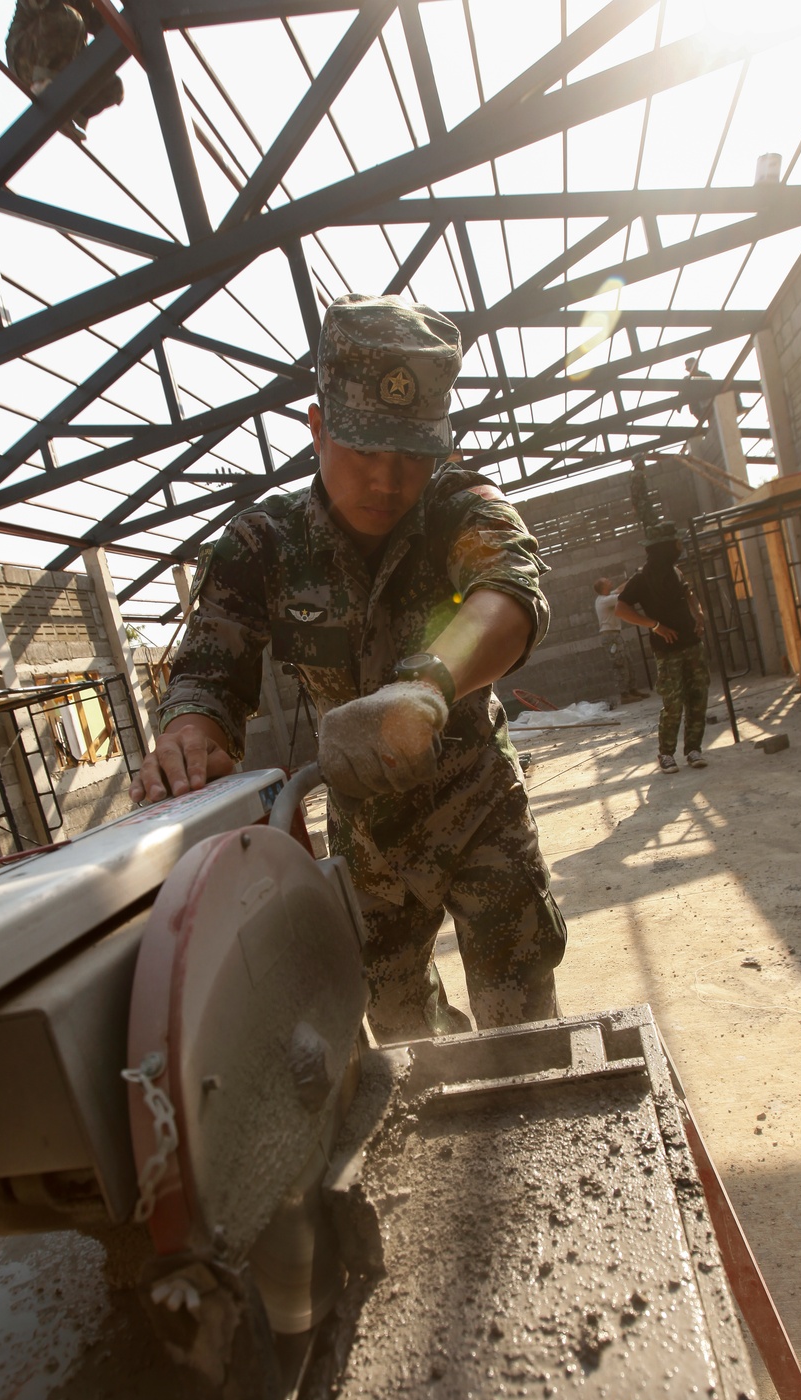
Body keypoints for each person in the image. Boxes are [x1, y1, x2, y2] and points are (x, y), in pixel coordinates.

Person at [131, 294, 567, 1044]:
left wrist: (427, 687)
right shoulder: (261, 547)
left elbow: (513, 593)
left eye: (412, 454)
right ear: (317, 427)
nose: (390, 481)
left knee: (521, 1024)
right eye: (366, 449)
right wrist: (191, 736)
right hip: (367, 837)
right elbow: (207, 675)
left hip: (480, 808)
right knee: (403, 1039)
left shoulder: (459, 507)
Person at [613, 517, 709, 773]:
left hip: (692, 644)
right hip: (667, 651)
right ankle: (666, 754)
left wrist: (698, 614)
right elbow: (621, 609)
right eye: (675, 544)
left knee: (698, 698)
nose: (680, 547)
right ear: (664, 548)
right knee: (673, 703)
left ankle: (693, 750)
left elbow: (689, 593)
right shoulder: (642, 578)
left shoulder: (675, 572)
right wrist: (654, 625)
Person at [6, 0, 124, 138]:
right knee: (72, 19)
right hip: (26, 56)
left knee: (113, 87)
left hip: (61, 66)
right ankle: (43, 84)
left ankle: (69, 110)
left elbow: (105, 26)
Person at [593, 577, 645, 706]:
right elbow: (622, 594)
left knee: (628, 661)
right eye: (607, 581)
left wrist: (633, 578)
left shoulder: (606, 597)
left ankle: (632, 690)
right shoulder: (605, 601)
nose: (610, 581)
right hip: (611, 637)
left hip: (615, 635)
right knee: (620, 664)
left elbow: (619, 589)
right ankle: (624, 694)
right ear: (603, 588)